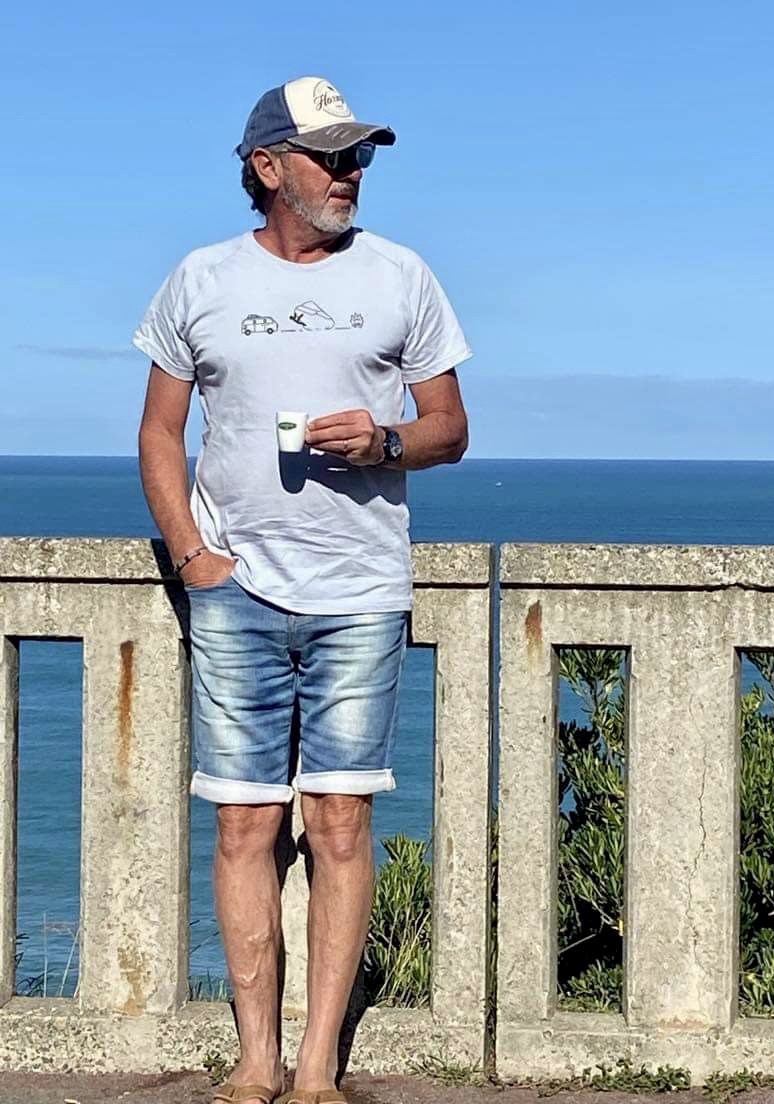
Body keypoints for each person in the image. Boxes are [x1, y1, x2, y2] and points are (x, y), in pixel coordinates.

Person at [133, 76, 472, 1104]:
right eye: (331, 155)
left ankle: (318, 1064)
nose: (350, 173)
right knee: (243, 826)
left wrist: (385, 442)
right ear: (267, 166)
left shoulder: (402, 275)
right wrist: (193, 556)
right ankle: (255, 1058)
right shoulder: (199, 279)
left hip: (360, 590)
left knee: (338, 823)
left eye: (358, 155)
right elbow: (159, 432)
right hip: (235, 591)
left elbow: (450, 428)